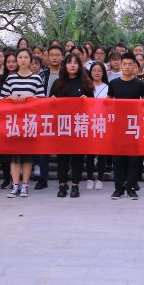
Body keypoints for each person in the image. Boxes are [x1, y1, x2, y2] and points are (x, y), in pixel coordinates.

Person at [1, 48, 45, 198]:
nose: (23, 60)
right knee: (14, 156)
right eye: (20, 57)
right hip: (13, 122)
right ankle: (15, 185)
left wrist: (29, 98)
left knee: (27, 156)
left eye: (26, 57)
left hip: (29, 122)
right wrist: (10, 98)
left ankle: (25, 185)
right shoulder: (10, 78)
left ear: (30, 59)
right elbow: (1, 99)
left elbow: (42, 99)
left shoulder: (36, 78)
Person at [50, 54, 94, 199]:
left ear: (80, 66)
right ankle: (62, 185)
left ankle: (75, 185)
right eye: (70, 62)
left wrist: (87, 100)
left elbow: (93, 105)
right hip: (62, 125)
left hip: (79, 125)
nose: (73, 65)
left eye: (76, 63)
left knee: (78, 157)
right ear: (65, 65)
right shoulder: (58, 83)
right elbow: (49, 104)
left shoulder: (85, 83)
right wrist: (52, 100)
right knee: (62, 157)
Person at [108, 52, 144, 199]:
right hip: (118, 126)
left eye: (130, 64)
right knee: (118, 159)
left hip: (134, 126)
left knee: (134, 159)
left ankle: (131, 187)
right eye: (124, 64)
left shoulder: (140, 84)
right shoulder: (113, 83)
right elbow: (108, 103)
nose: (127, 67)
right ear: (120, 65)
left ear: (134, 66)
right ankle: (118, 188)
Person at [36, 44, 63, 190]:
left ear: (62, 57)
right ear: (47, 57)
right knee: (43, 148)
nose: (54, 58)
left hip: (62, 116)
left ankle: (62, 180)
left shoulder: (66, 75)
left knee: (62, 150)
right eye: (51, 55)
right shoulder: (41, 75)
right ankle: (43, 178)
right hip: (44, 114)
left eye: (57, 55)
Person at [0, 52, 17, 189]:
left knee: (17, 151)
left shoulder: (22, 78)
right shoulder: (1, 78)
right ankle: (7, 178)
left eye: (14, 61)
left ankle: (16, 180)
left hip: (19, 119)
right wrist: (8, 100)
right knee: (5, 151)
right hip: (3, 118)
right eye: (9, 62)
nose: (11, 64)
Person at [87, 62, 109, 191]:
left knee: (102, 152)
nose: (96, 73)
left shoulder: (108, 87)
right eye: (94, 70)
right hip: (87, 122)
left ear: (103, 73)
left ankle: (100, 178)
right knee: (89, 152)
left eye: (99, 70)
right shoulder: (86, 86)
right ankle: (90, 178)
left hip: (103, 122)